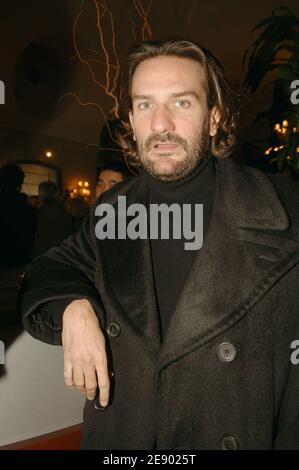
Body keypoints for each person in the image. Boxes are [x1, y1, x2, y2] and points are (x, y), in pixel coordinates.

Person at [20, 39, 299, 450]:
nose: (161, 123)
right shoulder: (114, 209)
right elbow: (52, 268)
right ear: (131, 120)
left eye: (182, 103)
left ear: (214, 118)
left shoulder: (285, 208)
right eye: (145, 104)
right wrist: (74, 308)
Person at [32, 181, 73, 258]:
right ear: (56, 194)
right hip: (60, 256)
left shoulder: (37, 214)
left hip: (42, 257)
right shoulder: (64, 214)